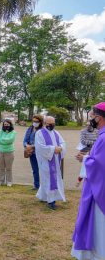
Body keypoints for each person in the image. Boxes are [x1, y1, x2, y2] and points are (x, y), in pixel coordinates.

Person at [72, 103, 105, 259]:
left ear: (99, 118)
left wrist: (84, 159)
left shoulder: (104, 138)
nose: (91, 119)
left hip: (99, 191)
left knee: (98, 225)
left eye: (92, 116)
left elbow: (99, 165)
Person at [34, 116, 66, 210]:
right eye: (49, 123)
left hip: (55, 161)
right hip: (45, 161)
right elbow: (39, 147)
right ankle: (51, 200)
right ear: (44, 123)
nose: (51, 125)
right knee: (48, 179)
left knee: (49, 179)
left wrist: (61, 148)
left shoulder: (56, 133)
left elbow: (63, 142)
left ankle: (43, 196)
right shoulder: (39, 133)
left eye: (53, 123)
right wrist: (53, 149)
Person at [23, 115, 44, 190]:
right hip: (31, 153)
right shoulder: (30, 129)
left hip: (40, 153)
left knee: (42, 170)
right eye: (33, 121)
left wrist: (32, 146)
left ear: (40, 122)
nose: (34, 123)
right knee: (35, 170)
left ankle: (43, 186)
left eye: (36, 121)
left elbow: (42, 143)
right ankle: (36, 185)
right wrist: (26, 145)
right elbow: (25, 139)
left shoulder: (42, 130)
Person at [0, 119, 17, 187]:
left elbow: (10, 140)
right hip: (0, 151)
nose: (6, 126)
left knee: (8, 168)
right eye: (5, 124)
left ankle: (9, 181)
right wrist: (5, 140)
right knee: (1, 168)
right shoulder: (0, 131)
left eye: (7, 124)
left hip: (9, 152)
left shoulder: (13, 132)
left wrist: (2, 140)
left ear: (10, 125)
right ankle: (1, 181)